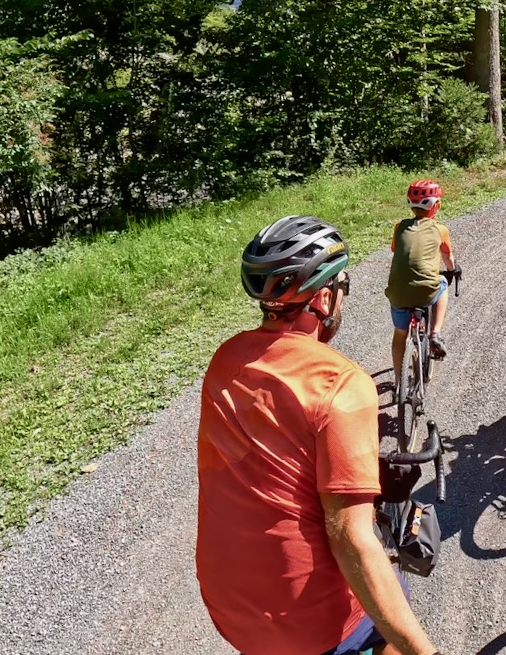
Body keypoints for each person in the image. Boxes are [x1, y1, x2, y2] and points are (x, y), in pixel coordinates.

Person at [196, 215, 441, 655]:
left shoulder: (226, 359)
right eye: (343, 287)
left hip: (228, 603)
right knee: (392, 602)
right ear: (325, 298)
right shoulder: (341, 384)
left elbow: (274, 456)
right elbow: (352, 541)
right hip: (309, 622)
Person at [386, 179, 458, 395]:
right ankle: (435, 333)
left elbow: (396, 249)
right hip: (426, 289)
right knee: (443, 283)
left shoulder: (400, 227)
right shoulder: (440, 229)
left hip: (397, 292)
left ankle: (399, 383)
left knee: (400, 334)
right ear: (435, 205)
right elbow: (448, 259)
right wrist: (453, 269)